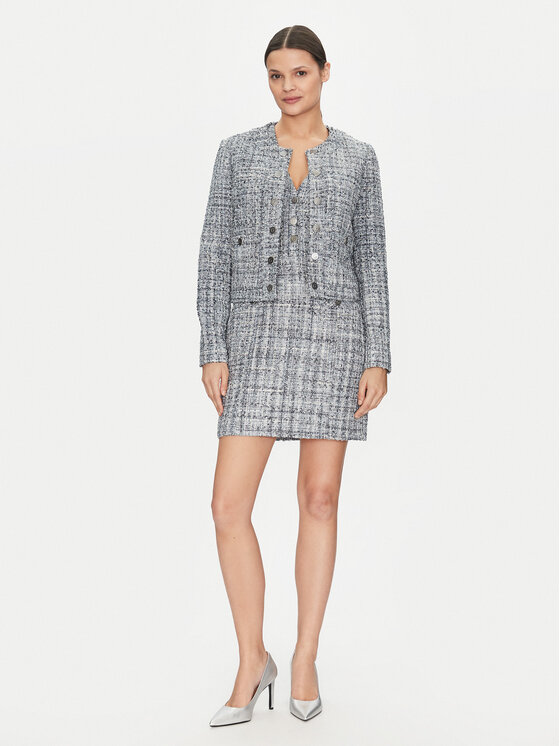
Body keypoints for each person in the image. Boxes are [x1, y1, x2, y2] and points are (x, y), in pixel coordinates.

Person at [197, 24, 392, 726]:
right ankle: (253, 660)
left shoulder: (359, 158)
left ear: (325, 73)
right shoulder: (237, 153)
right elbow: (213, 253)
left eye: (300, 73)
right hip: (252, 341)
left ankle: (305, 655)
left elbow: (372, 259)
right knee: (228, 507)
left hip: (335, 340)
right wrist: (212, 346)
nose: (288, 87)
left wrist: (378, 355)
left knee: (320, 498)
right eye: (276, 75)